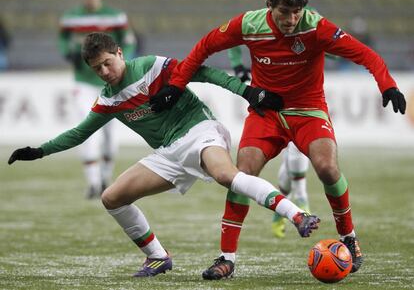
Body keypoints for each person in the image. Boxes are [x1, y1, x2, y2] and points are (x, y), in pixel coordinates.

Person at [149, 0, 406, 279]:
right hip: (266, 113)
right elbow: (205, 46)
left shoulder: (317, 27)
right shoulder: (249, 24)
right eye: (285, 12)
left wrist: (387, 85)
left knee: (327, 168)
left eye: (297, 11)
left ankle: (349, 237)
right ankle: (226, 258)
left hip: (309, 110)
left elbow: (365, 55)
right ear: (269, 5)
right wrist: (176, 85)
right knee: (241, 176)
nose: (291, 19)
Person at [8, 32, 320, 278]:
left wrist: (247, 92)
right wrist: (39, 151)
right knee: (112, 198)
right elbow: (79, 133)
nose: (104, 72)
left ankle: (297, 214)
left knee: (227, 175)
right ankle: (158, 257)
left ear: (120, 53)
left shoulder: (150, 67)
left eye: (107, 63)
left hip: (199, 129)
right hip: (169, 152)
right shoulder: (108, 100)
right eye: (96, 69)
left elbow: (203, 72)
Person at [227, 0, 311, 239]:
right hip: (268, 100)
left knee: (297, 156)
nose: (289, 17)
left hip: (302, 98)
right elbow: (231, 40)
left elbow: (325, 45)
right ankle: (297, 201)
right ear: (269, 1)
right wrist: (239, 67)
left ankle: (296, 197)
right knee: (268, 160)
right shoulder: (254, 23)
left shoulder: (304, 19)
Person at [58, 0, 137, 198]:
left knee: (111, 134)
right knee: (87, 127)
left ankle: (105, 178)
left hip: (111, 83)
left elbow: (130, 42)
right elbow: (62, 40)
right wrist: (67, 53)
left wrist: (122, 64)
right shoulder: (70, 18)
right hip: (83, 82)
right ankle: (93, 183)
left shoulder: (116, 17)